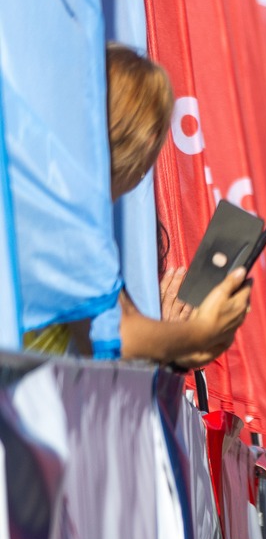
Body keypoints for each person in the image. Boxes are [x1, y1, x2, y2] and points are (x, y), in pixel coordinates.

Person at [23, 45, 253, 363]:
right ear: (150, 140)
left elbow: (109, 327)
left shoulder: (45, 192)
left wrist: (175, 347)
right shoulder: (66, 209)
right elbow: (115, 333)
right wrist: (200, 331)